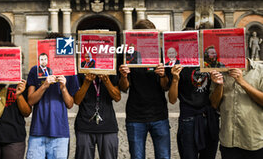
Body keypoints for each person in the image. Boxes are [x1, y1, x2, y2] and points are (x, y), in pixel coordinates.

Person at [119, 19, 171, 159]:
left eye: (149, 36)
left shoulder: (161, 55)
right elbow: (124, 88)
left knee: (164, 156)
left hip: (159, 115)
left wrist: (163, 75)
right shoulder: (128, 56)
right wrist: (124, 76)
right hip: (135, 116)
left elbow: (166, 86)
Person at [26, 33, 80, 159]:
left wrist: (63, 88)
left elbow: (70, 104)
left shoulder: (70, 71)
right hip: (38, 131)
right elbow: (30, 101)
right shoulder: (35, 70)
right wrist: (44, 85)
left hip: (60, 132)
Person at [210, 59, 263, 159]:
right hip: (229, 141)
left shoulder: (259, 70)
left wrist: (242, 82)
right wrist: (219, 85)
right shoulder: (220, 71)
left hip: (253, 140)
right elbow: (214, 104)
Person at [168, 63, 219, 159]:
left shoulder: (211, 60)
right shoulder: (179, 64)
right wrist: (175, 79)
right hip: (188, 118)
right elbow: (172, 100)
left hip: (209, 117)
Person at [74, 73, 121, 159]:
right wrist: (87, 82)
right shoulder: (80, 70)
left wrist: (106, 81)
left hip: (108, 125)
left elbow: (117, 97)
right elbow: (77, 100)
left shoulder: (110, 70)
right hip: (85, 124)